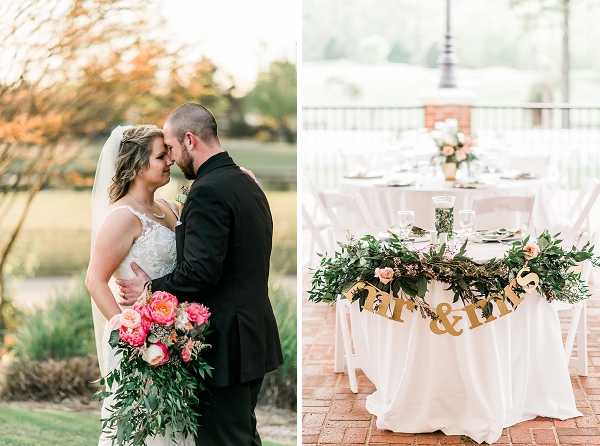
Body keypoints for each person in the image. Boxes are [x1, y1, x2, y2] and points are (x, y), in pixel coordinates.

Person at [116, 103, 283, 446]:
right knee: (241, 437)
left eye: (173, 149)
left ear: (190, 140)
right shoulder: (245, 182)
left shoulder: (207, 190)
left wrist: (149, 289)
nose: (172, 159)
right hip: (253, 335)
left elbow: (200, 271)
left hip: (225, 345)